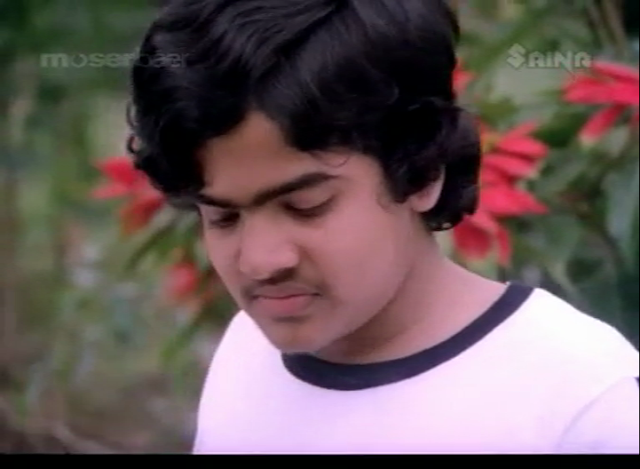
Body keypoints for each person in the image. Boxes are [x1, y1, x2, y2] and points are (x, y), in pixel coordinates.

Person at [126, 0, 639, 454]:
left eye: (306, 206)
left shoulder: (582, 402)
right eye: (223, 217)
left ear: (422, 170)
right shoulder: (246, 351)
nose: (260, 261)